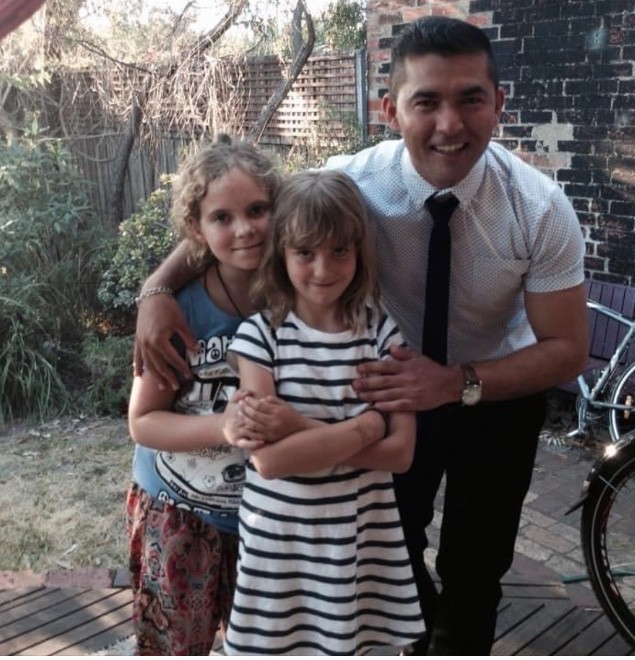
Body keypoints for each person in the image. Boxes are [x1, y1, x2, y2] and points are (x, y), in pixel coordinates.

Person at [132, 16, 588, 656]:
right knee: (391, 548)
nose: (449, 124)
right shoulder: (351, 183)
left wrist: (455, 383)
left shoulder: (540, 208)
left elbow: (567, 349)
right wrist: (156, 289)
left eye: (470, 99)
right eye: (426, 101)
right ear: (390, 110)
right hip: (384, 387)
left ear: (498, 103)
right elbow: (240, 220)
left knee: (478, 567)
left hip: (493, 393)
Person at [220, 168, 424, 655]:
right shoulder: (261, 337)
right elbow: (272, 460)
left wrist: (298, 426)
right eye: (305, 252)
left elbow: (400, 455)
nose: (323, 269)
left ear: (359, 251)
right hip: (282, 542)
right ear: (281, 253)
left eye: (339, 251)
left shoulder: (381, 334)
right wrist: (366, 427)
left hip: (359, 536)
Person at [125, 136, 284, 655]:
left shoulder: (302, 295)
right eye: (222, 217)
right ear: (196, 228)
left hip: (268, 516)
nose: (245, 229)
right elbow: (143, 421)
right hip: (178, 513)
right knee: (175, 646)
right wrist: (224, 426)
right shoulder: (180, 311)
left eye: (257, 209)